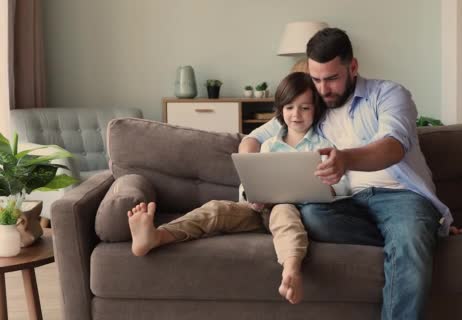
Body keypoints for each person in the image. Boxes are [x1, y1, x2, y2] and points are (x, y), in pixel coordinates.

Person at [239, 28, 462, 320]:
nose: (324, 88)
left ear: (353, 67)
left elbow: (392, 146)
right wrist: (252, 178)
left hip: (398, 196)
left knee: (408, 237)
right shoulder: (314, 105)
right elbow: (252, 139)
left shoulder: (389, 94)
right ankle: (420, 233)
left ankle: (413, 232)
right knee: (313, 216)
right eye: (316, 79)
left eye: (332, 78)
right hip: (344, 202)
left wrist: (345, 159)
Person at [127, 72, 349, 305]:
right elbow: (250, 181)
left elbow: (341, 186)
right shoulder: (270, 145)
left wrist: (328, 187)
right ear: (281, 110)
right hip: (258, 211)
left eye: (305, 108)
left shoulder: (323, 146)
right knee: (215, 210)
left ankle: (291, 271)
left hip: (291, 210)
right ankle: (156, 236)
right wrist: (251, 196)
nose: (296, 115)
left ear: (316, 110)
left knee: (286, 217)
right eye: (290, 107)